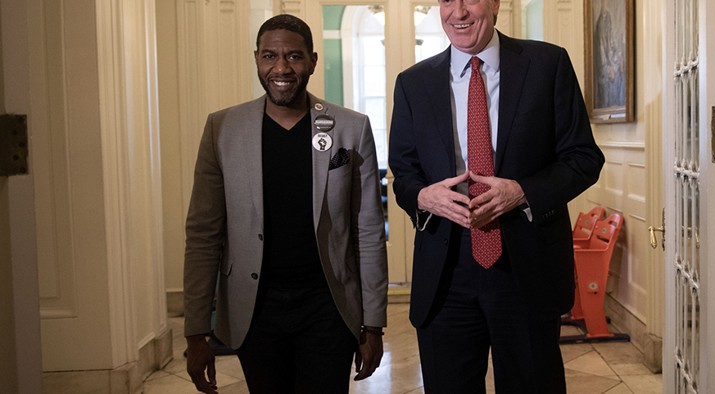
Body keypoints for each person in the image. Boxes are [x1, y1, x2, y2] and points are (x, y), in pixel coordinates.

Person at [388, 0, 604, 392]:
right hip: (445, 272)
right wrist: (423, 197)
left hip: (525, 269)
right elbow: (403, 174)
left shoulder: (548, 65)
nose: (459, 13)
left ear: (495, 4)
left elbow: (584, 159)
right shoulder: (412, 83)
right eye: (447, 0)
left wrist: (522, 192)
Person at [183, 14, 388, 394]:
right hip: (255, 309)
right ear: (256, 59)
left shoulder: (350, 127)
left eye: (294, 57)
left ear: (311, 60)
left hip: (329, 307)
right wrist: (197, 330)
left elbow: (368, 230)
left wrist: (373, 323)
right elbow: (202, 234)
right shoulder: (221, 129)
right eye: (269, 56)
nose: (281, 68)